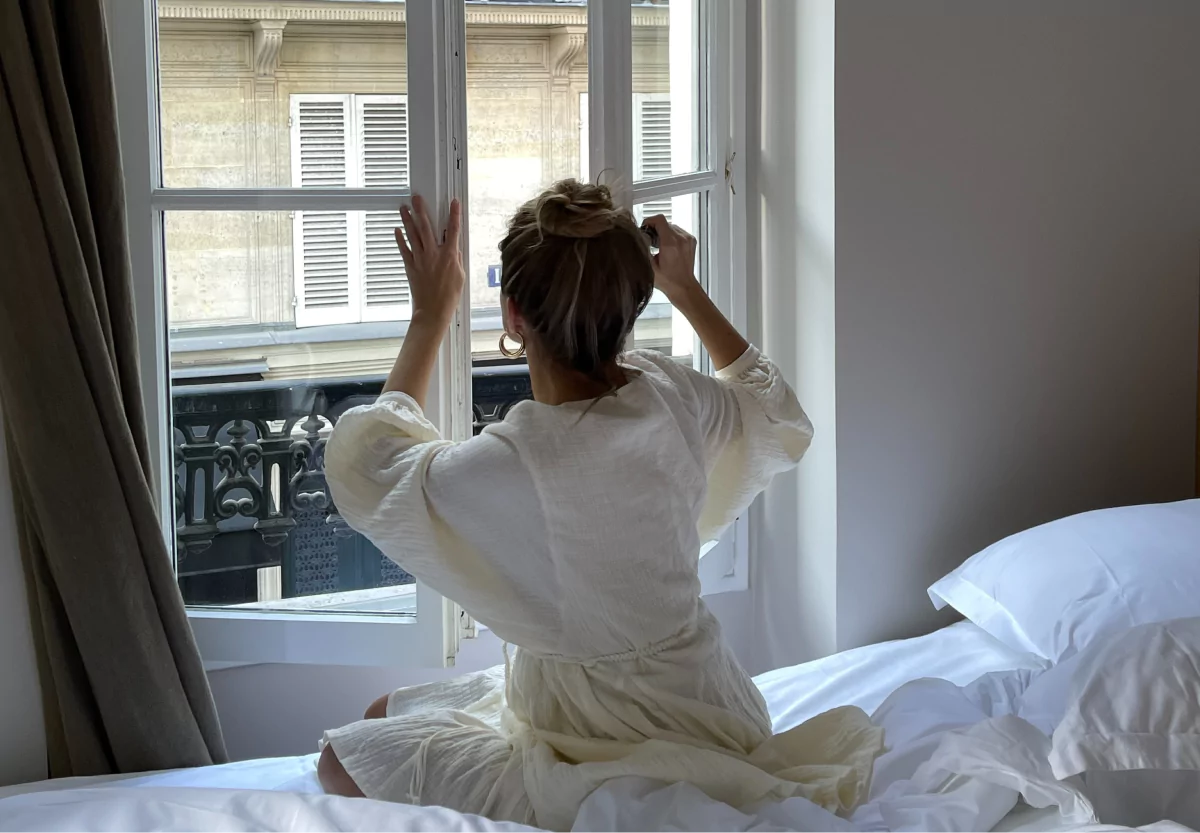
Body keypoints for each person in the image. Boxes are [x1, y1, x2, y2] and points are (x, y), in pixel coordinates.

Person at [316, 180, 883, 831]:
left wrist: (431, 314)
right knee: (386, 712)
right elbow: (774, 408)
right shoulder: (671, 391)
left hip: (595, 733)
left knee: (342, 755)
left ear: (512, 315)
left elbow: (372, 465)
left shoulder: (516, 458)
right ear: (631, 304)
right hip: (714, 706)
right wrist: (687, 288)